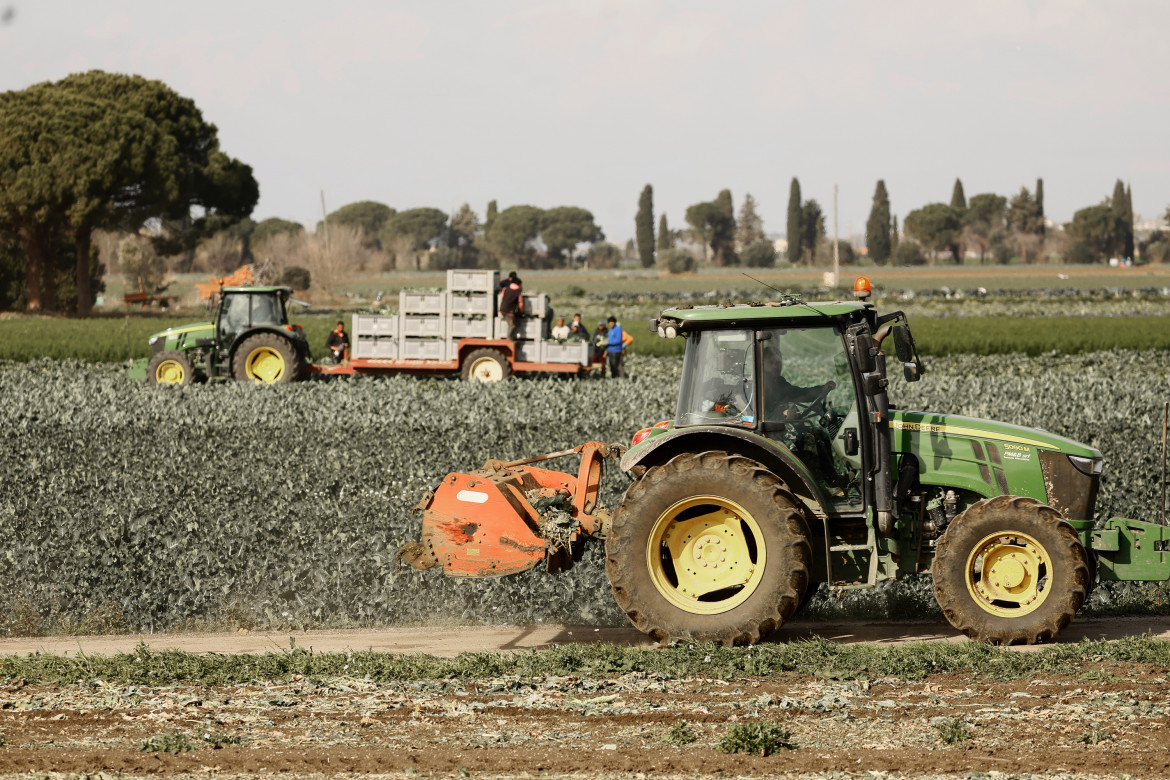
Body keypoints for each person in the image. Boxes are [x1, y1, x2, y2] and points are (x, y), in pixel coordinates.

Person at [498, 272, 524, 340]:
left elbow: (502, 296)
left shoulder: (505, 288)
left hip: (502, 309)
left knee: (512, 323)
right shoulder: (518, 291)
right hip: (509, 312)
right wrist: (521, 311)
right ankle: (509, 339)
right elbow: (520, 303)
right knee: (512, 326)